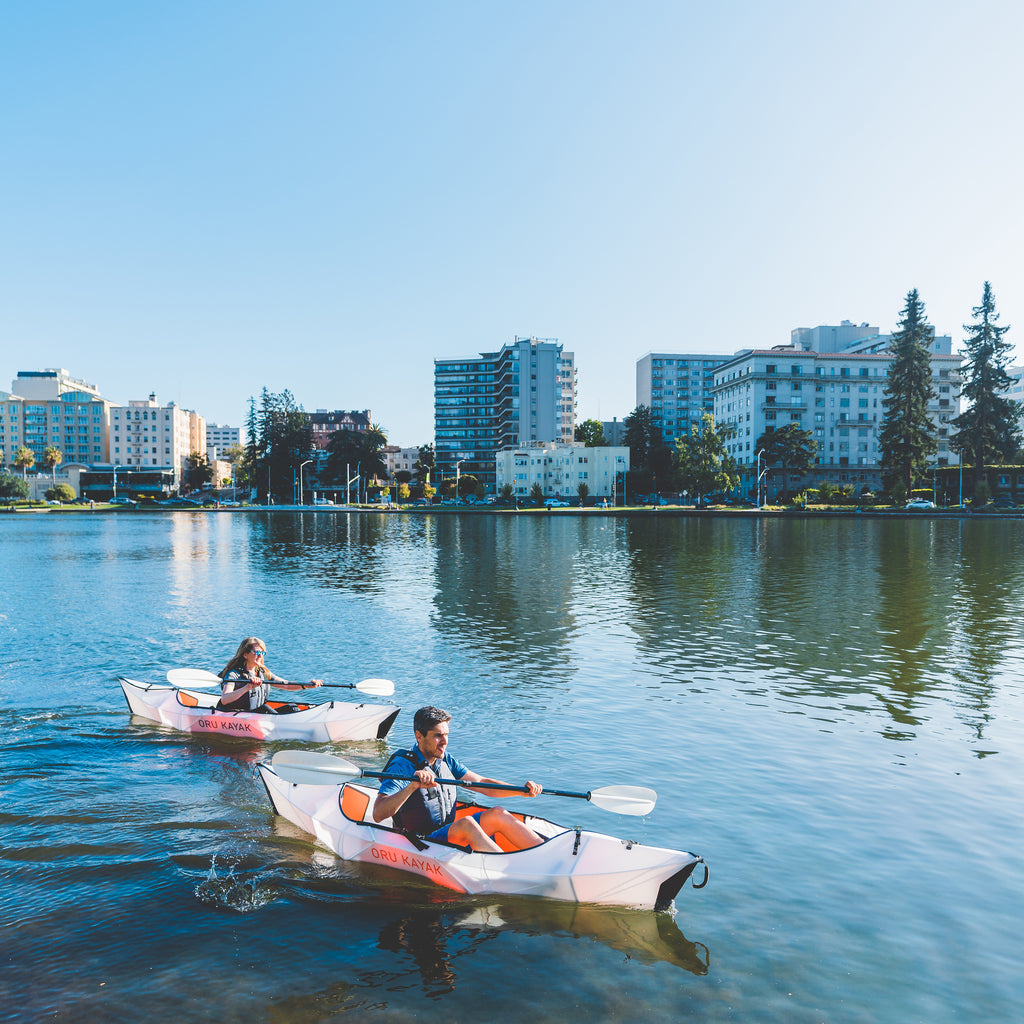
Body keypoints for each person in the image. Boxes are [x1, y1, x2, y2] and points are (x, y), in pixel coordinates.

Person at [372, 706, 544, 852]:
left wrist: (521, 792)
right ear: (419, 736)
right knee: (467, 823)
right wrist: (412, 786)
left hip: (447, 833)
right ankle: (509, 870)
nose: (444, 742)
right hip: (421, 842)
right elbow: (378, 814)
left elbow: (482, 783)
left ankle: (547, 854)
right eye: (438, 735)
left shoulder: (445, 759)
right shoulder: (402, 765)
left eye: (446, 734)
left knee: (498, 813)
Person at [216, 636, 322, 713]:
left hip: (257, 714)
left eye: (262, 653)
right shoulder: (233, 674)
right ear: (245, 654)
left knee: (292, 707)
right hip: (237, 714)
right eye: (257, 652)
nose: (260, 656)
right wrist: (247, 687)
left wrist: (306, 685)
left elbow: (286, 685)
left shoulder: (263, 672)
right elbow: (225, 699)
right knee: (265, 709)